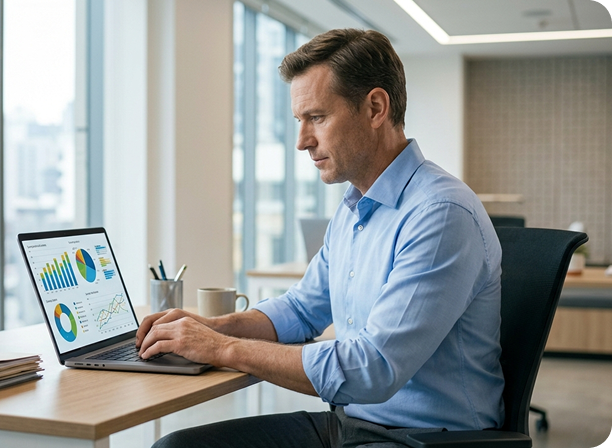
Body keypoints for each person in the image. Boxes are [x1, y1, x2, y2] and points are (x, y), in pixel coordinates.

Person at [136, 28, 505, 448]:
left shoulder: (440, 214)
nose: (301, 141)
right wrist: (215, 326)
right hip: (351, 425)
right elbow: (301, 309)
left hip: (423, 440)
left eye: (317, 117)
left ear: (375, 107)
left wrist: (221, 347)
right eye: (299, 121)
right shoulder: (354, 208)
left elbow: (373, 368)